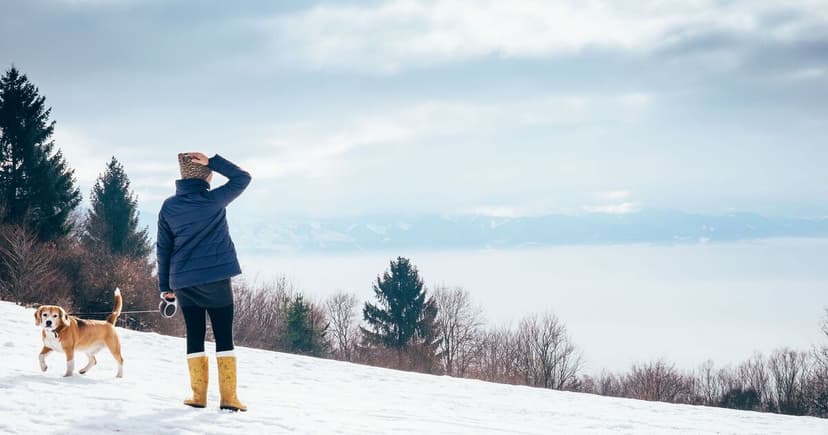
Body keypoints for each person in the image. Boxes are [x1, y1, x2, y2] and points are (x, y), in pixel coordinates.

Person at [156, 152, 251, 411]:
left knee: (195, 335)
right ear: (205, 176)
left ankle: (198, 396)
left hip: (184, 282)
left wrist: (165, 288)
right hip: (216, 280)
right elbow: (243, 178)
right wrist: (213, 161)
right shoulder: (213, 200)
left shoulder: (168, 207)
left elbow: (163, 249)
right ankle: (229, 398)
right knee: (223, 336)